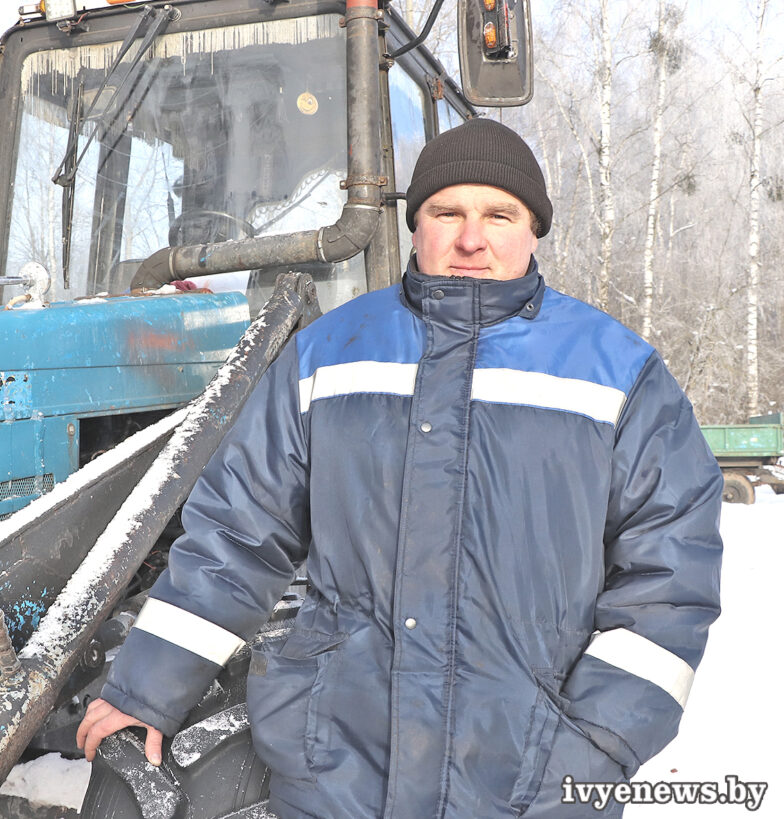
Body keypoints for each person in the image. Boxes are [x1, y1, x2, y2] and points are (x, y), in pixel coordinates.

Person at [76, 118, 723, 818]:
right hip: (339, 772)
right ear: (416, 225)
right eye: (448, 212)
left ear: (533, 228)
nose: (471, 238)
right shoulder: (328, 354)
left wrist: (594, 742)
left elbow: (670, 579)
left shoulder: (619, 373)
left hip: (532, 779)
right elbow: (237, 533)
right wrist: (146, 690)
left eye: (498, 214)